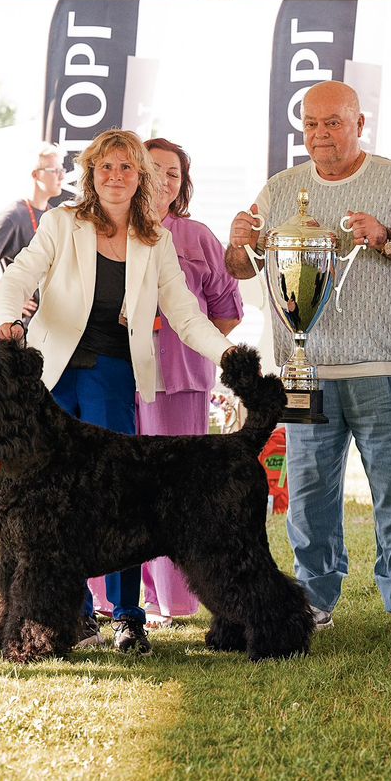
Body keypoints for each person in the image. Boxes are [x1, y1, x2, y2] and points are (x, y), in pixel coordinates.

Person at [0, 128, 242, 654]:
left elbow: (186, 315)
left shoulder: (157, 241)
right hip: (52, 376)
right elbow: (16, 279)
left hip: (112, 373)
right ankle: (74, 619)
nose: (115, 176)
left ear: (141, 178)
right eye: (105, 166)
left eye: (126, 167)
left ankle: (129, 616)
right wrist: (9, 320)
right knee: (50, 509)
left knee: (120, 502)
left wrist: (227, 354)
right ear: (91, 174)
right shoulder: (62, 223)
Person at [226, 80, 391, 638]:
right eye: (311, 124)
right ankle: (313, 597)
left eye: (333, 122)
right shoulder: (279, 189)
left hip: (385, 366)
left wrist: (386, 237)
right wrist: (236, 240)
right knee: (309, 492)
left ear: (359, 124)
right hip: (304, 369)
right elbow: (242, 267)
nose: (320, 134)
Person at [125, 137, 243, 625]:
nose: (163, 180)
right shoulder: (109, 229)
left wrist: (192, 352)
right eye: (153, 170)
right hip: (119, 377)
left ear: (182, 184)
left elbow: (226, 311)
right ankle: (120, 599)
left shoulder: (197, 237)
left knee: (176, 493)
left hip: (181, 382)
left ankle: (174, 602)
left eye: (173, 173)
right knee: (120, 492)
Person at [0, 143, 64, 319]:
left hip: (49, 320)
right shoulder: (15, 215)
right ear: (36, 174)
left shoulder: (53, 215)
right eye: (54, 170)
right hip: (23, 324)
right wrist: (2, 300)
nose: (61, 176)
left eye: (61, 170)